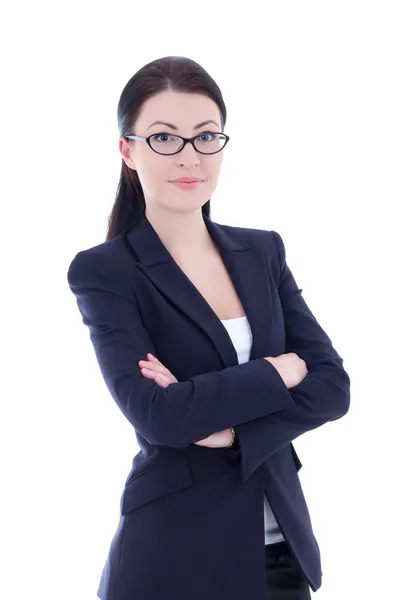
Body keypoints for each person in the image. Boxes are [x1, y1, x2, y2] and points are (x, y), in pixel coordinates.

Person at [67, 55, 351, 600]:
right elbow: (161, 417)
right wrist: (276, 370)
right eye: (164, 138)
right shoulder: (105, 271)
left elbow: (332, 388)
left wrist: (235, 432)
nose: (189, 156)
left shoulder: (262, 250)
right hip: (172, 557)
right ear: (128, 150)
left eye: (205, 136)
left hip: (279, 557)